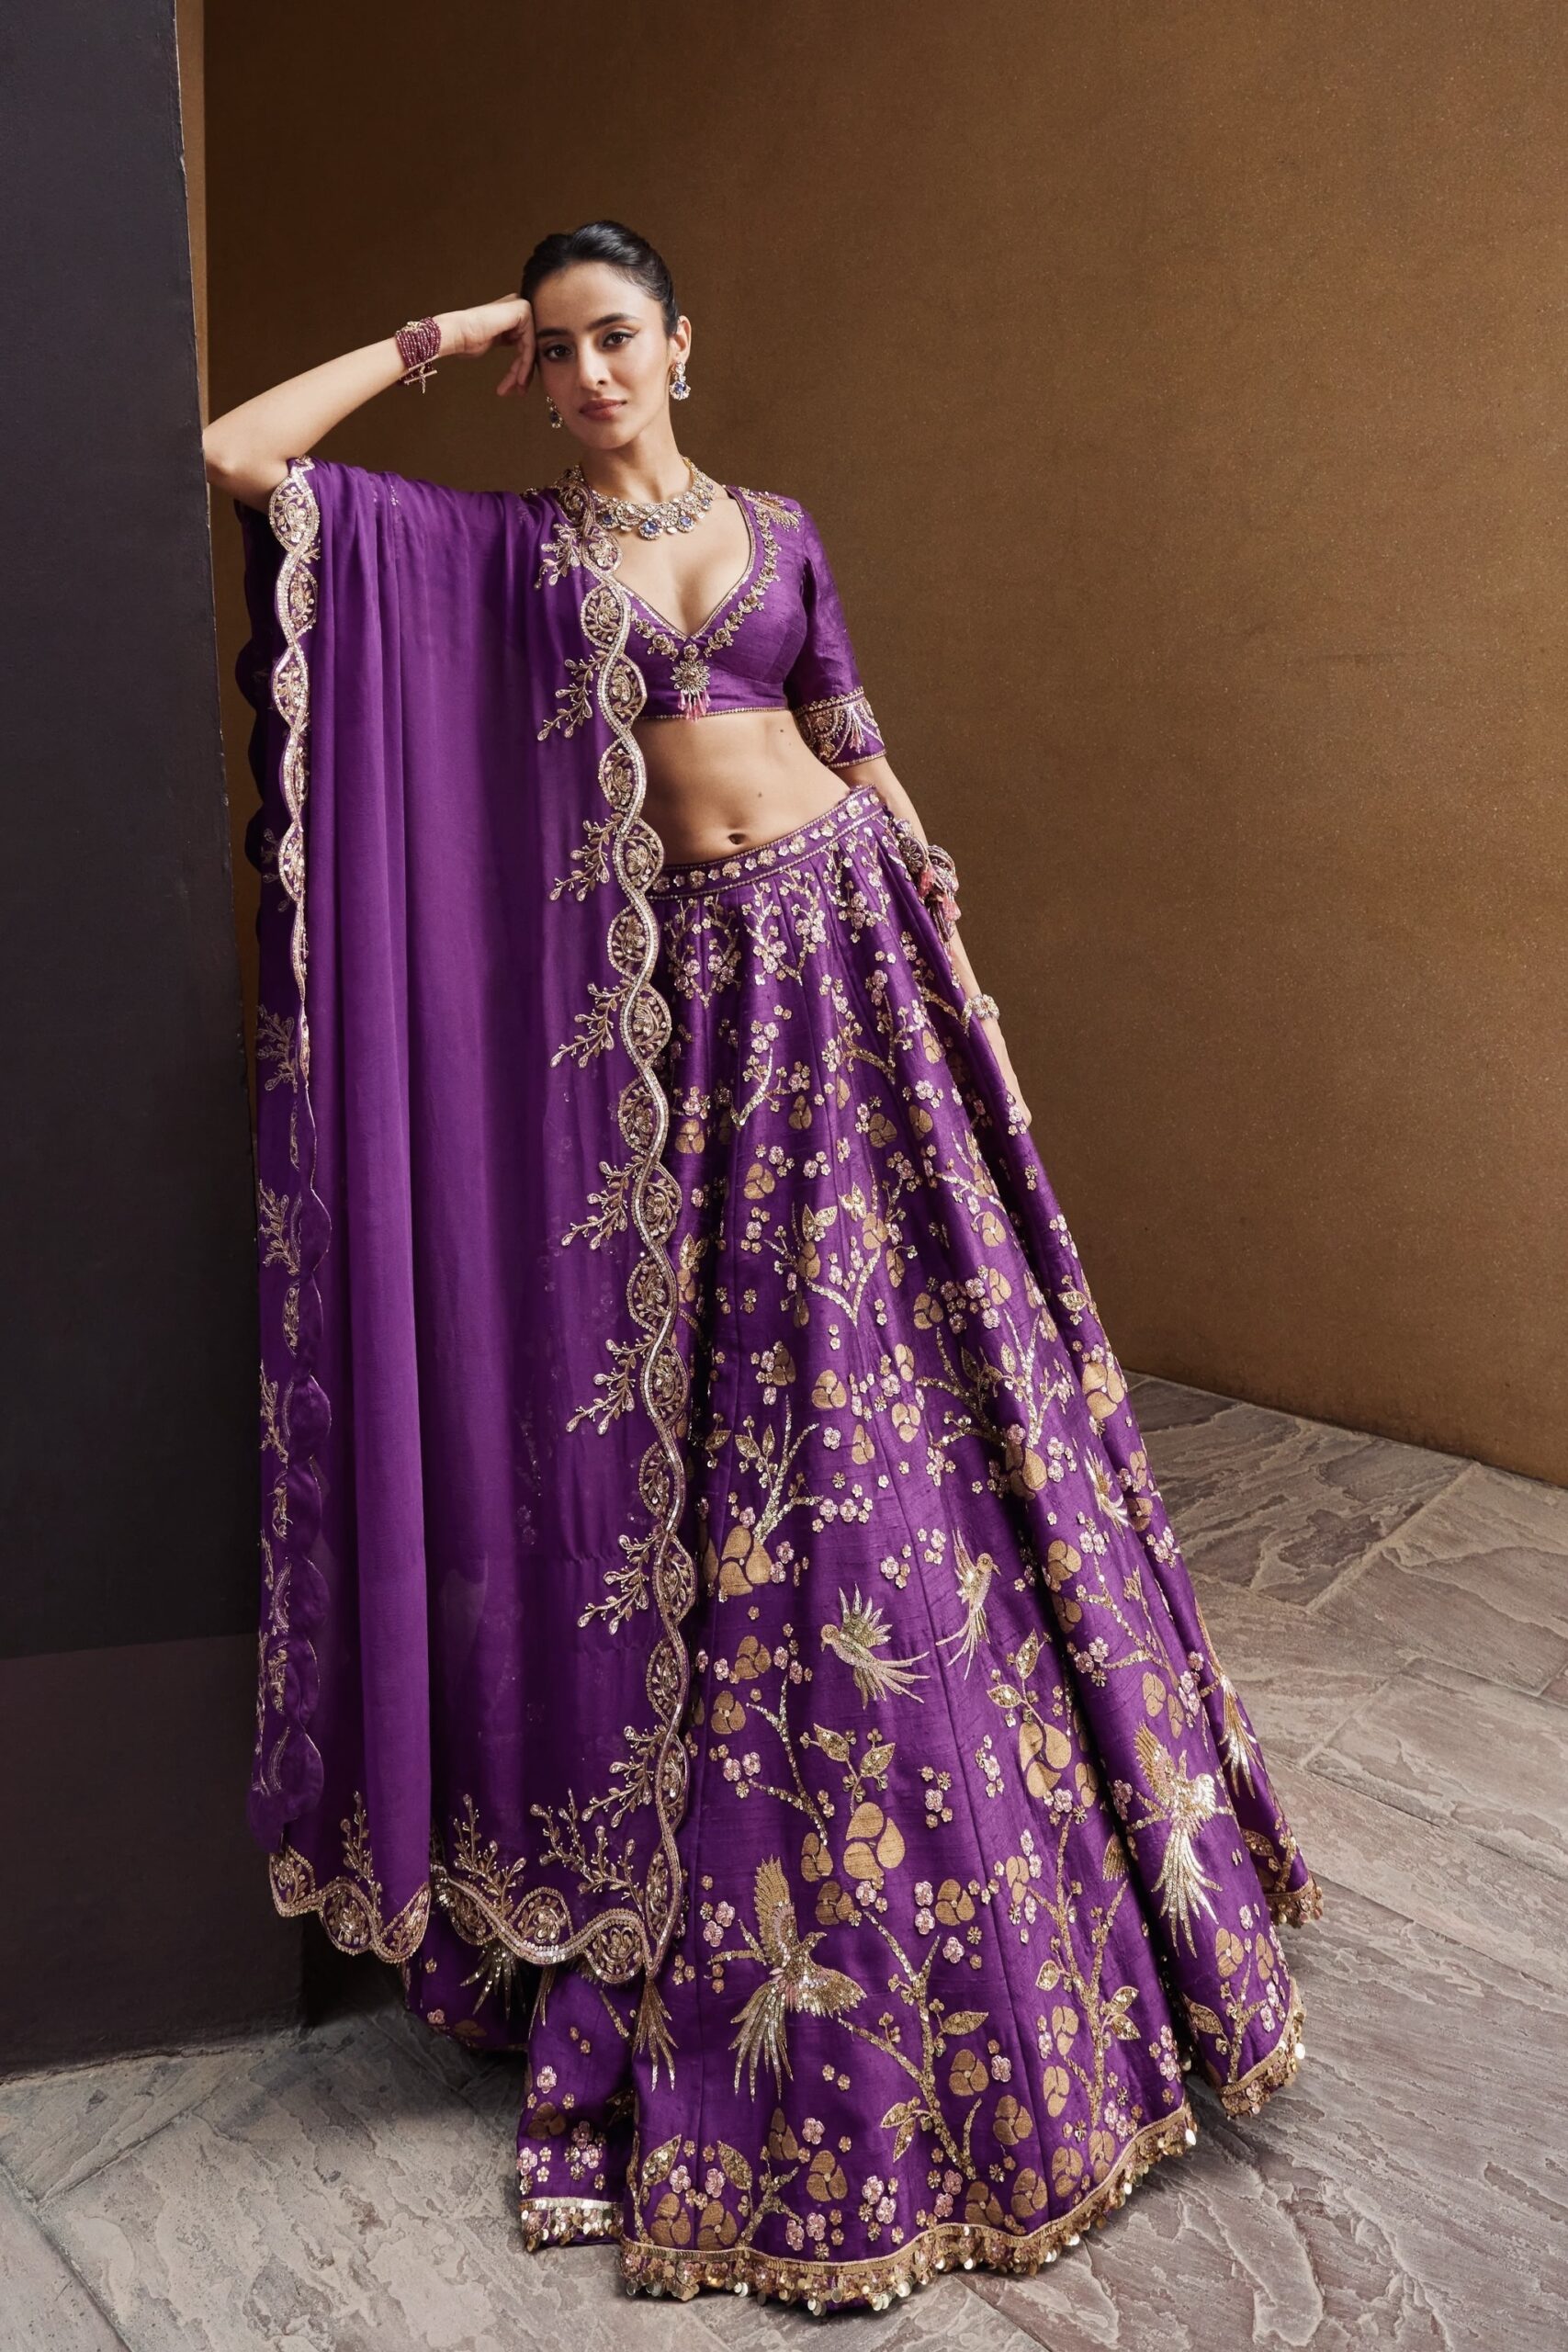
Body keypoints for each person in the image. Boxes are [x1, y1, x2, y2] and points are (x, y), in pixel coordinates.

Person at [207, 220, 1322, 2315]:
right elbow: (246, 456)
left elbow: (851, 733)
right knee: (752, 1411)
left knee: (930, 1386)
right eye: (556, 349)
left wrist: (963, 963)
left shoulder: (785, 526)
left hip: (857, 947)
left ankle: (1040, 1828)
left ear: (679, 344)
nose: (590, 372)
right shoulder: (511, 555)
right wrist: (435, 333)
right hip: (693, 1006)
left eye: (615, 335)